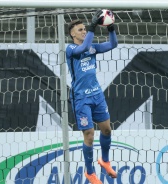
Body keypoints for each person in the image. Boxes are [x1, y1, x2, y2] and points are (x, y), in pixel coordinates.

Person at [66, 10, 118, 184]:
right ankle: (90, 172)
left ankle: (105, 160)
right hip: (81, 99)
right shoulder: (71, 49)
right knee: (89, 134)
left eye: (84, 29)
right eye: (80, 30)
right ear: (72, 34)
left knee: (107, 130)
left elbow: (113, 45)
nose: (83, 31)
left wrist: (111, 29)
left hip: (97, 95)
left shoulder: (92, 47)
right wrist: (92, 27)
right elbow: (82, 49)